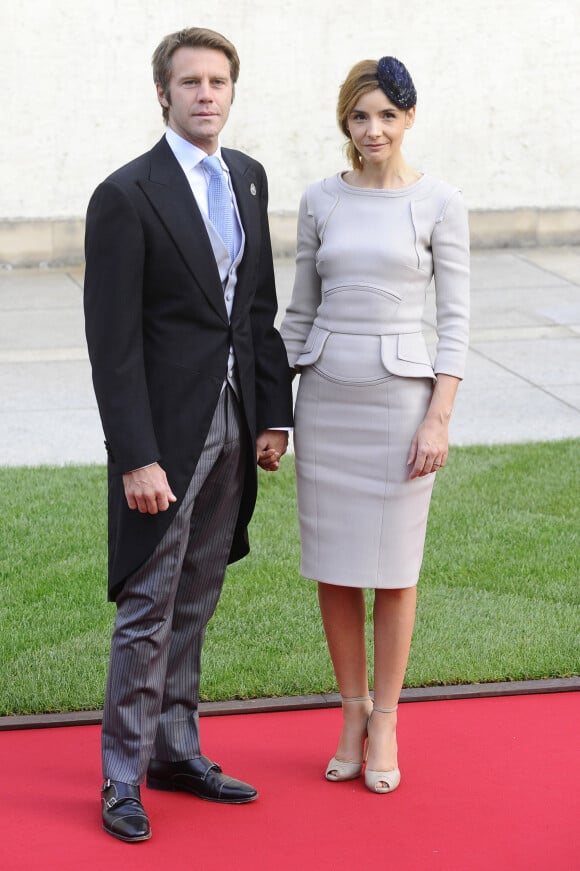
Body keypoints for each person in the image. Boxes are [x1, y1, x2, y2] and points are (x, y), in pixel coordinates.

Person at [84, 27, 293, 842]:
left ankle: (176, 750)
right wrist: (134, 452)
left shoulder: (246, 179)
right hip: (163, 438)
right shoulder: (126, 195)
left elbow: (256, 310)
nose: (206, 93)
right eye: (190, 82)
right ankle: (121, 777)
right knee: (149, 603)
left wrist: (272, 414)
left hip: (237, 424)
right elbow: (113, 342)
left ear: (232, 93)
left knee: (199, 597)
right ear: (163, 94)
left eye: (219, 81)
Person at [280, 56, 469, 795]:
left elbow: (454, 320)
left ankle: (386, 716)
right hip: (325, 399)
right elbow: (298, 312)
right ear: (345, 122)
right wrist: (274, 412)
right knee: (334, 565)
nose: (373, 129)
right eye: (360, 116)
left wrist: (438, 417)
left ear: (409, 118)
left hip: (401, 407)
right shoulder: (318, 200)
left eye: (387, 115)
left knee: (394, 571)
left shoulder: (441, 202)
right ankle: (350, 711)